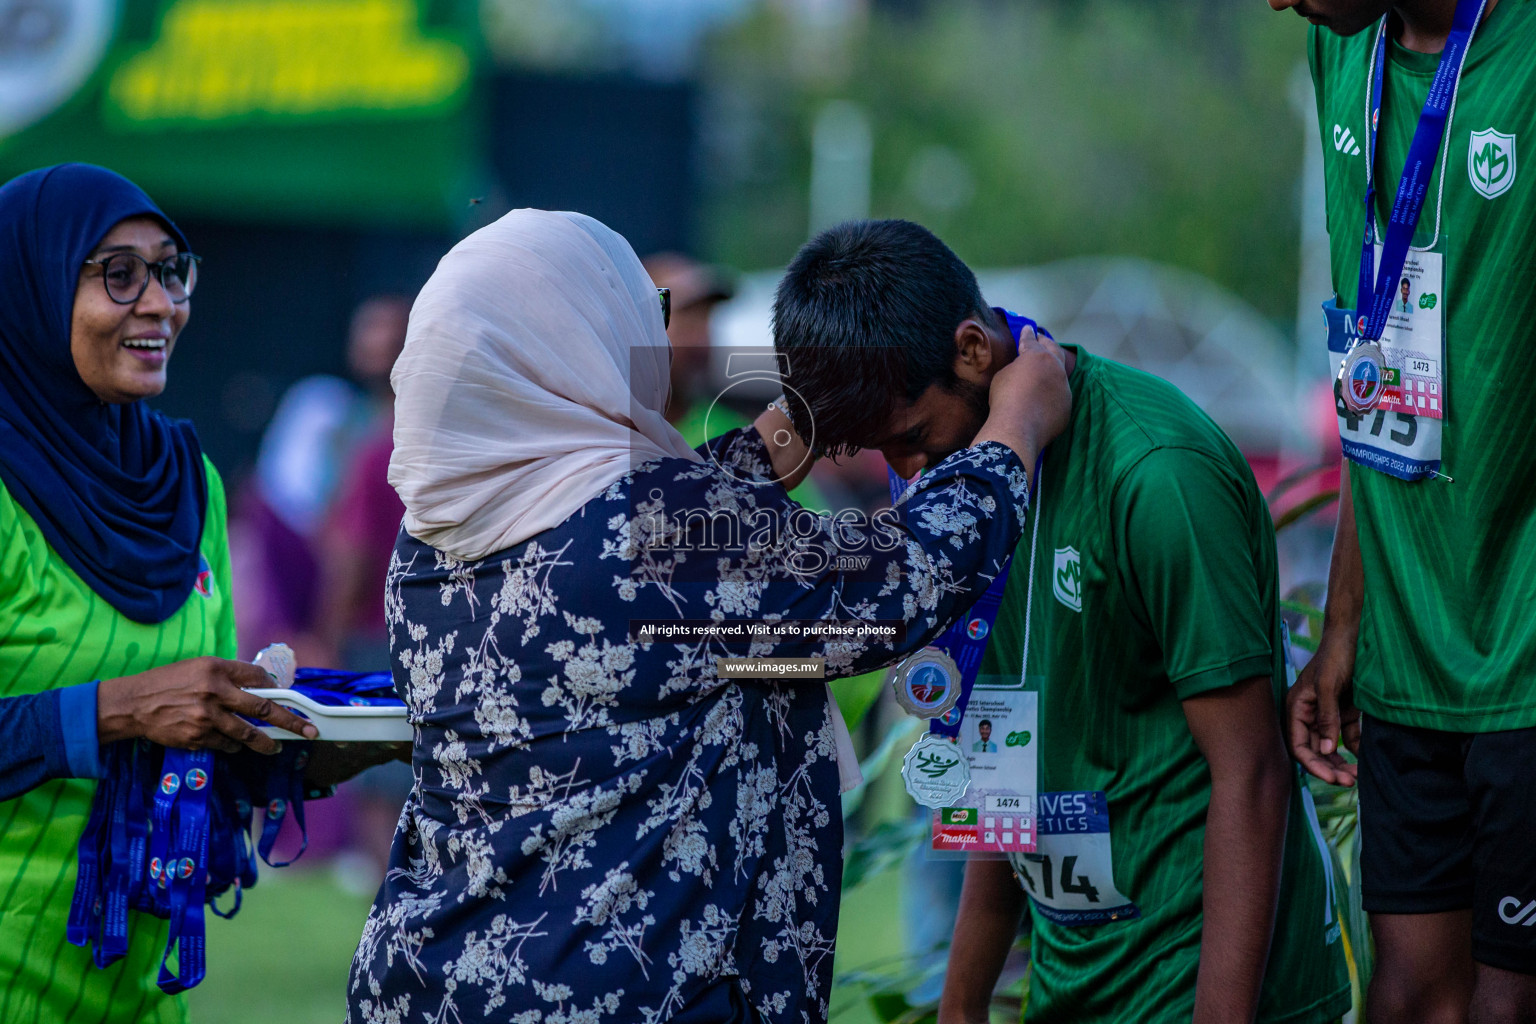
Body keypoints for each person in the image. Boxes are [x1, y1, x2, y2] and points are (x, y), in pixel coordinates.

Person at [344, 208, 1072, 1024]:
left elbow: (667, 536)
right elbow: (895, 582)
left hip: (431, 975)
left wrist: (805, 413)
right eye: (639, 318)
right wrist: (1017, 425)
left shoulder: (432, 539)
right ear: (572, 342)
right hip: (619, 989)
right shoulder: (649, 527)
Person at [773, 219, 1350, 1024]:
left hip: (1207, 989)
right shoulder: (964, 505)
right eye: (882, 456)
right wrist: (962, 1007)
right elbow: (1004, 757)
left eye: (910, 438)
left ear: (973, 351)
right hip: (1074, 987)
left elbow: (1251, 773)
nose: (907, 474)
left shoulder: (1156, 475)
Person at [0, 164, 320, 1021]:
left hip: (143, 988)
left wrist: (293, 748)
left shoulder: (188, 481)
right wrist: (113, 710)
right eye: (117, 273)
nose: (160, 304)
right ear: (26, 283)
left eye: (171, 270)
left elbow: (189, 721)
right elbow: (140, 705)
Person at [1269, 0, 1536, 1019]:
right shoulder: (1343, 44)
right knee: (1411, 993)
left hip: (1521, 649)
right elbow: (1378, 379)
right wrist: (1346, 624)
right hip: (1404, 653)